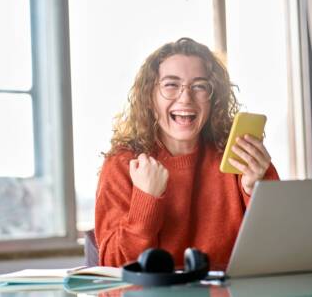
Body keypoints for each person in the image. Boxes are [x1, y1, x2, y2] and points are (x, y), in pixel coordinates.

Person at [95, 37, 279, 271]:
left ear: (213, 99)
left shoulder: (242, 157)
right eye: (171, 85)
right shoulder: (122, 165)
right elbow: (113, 268)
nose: (186, 98)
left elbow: (279, 248)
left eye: (200, 86)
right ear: (150, 96)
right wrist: (145, 199)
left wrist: (257, 190)